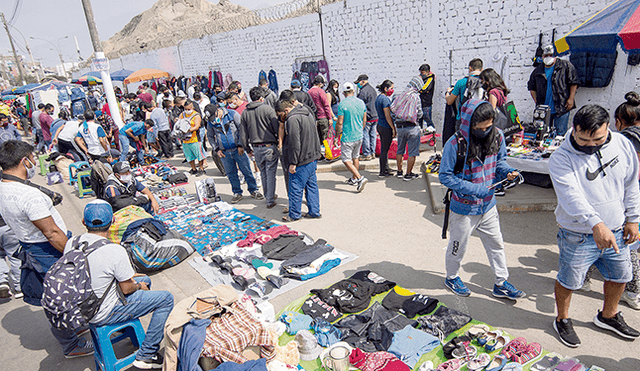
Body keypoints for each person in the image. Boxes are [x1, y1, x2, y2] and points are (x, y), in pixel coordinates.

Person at [549, 105, 640, 347]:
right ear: (574, 129)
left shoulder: (622, 145)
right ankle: (563, 319)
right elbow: (571, 197)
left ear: (609, 127)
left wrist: (633, 218)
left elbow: (631, 184)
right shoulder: (561, 157)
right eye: (583, 139)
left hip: (618, 231)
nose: (590, 145)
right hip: (577, 235)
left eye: (597, 139)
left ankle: (608, 316)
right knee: (569, 280)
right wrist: (596, 224)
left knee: (621, 276)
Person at [0, 140, 93, 358]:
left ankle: (74, 327)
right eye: (32, 159)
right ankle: (71, 344)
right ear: (25, 161)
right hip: (46, 249)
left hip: (30, 246)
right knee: (60, 296)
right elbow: (51, 232)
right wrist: (72, 254)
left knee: (57, 295)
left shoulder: (4, 187)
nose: (34, 163)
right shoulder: (27, 195)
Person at [439, 100, 525, 300]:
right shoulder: (455, 143)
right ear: (469, 123)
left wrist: (508, 172)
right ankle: (451, 277)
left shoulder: (498, 136)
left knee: (496, 244)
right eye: (480, 128)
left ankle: (501, 283)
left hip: (488, 206)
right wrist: (475, 189)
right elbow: (445, 176)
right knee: (457, 246)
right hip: (464, 207)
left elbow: (500, 161)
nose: (485, 131)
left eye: (489, 126)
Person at [75, 200, 173, 369]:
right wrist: (138, 286)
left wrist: (137, 281)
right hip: (103, 311)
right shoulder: (114, 250)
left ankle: (126, 329)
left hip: (82, 307)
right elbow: (127, 289)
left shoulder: (72, 243)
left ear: (84, 222)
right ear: (113, 221)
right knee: (166, 299)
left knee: (145, 279)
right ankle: (146, 354)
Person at [276, 99, 321, 222]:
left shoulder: (292, 119)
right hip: (312, 156)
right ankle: (314, 211)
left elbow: (295, 143)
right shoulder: (307, 112)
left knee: (295, 188)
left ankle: (294, 214)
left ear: (285, 110)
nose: (281, 118)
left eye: (280, 115)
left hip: (302, 160)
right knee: (312, 186)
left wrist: (293, 163)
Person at [210, 104, 263, 204]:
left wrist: (241, 145)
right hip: (224, 152)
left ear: (218, 110)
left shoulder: (232, 114)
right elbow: (210, 137)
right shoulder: (210, 121)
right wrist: (217, 149)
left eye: (215, 116)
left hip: (238, 149)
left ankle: (254, 190)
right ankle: (237, 192)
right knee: (231, 173)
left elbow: (242, 130)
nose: (214, 119)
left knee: (246, 170)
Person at [240, 87, 280, 208]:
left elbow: (243, 134)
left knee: (263, 172)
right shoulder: (268, 109)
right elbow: (276, 128)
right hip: (269, 145)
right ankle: (269, 199)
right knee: (270, 173)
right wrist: (279, 141)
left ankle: (268, 195)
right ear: (262, 98)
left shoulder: (245, 113)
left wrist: (247, 149)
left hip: (256, 147)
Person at [527, 45, 578, 136]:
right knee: (542, 133)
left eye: (550, 55)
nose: (548, 57)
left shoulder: (565, 66)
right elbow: (531, 87)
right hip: (544, 110)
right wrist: (537, 102)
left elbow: (573, 82)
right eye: (545, 55)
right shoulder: (538, 71)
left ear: (555, 55)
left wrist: (571, 98)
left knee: (560, 134)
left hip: (562, 106)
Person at [336, 82, 368, 192]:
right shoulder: (361, 102)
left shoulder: (342, 104)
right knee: (356, 157)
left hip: (347, 136)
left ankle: (359, 178)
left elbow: (340, 123)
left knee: (346, 159)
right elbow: (364, 119)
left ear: (343, 93)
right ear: (353, 91)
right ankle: (354, 178)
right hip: (359, 135)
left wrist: (337, 135)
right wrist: (361, 129)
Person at [392, 77, 423, 181]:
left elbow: (393, 110)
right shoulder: (416, 97)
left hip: (400, 127)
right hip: (412, 127)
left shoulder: (398, 94)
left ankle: (399, 171)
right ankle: (408, 173)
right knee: (412, 152)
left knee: (400, 150)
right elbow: (419, 113)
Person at [446, 58, 485, 130]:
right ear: (482, 69)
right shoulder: (485, 82)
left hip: (463, 118)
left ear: (470, 68)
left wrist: (448, 93)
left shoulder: (461, 82)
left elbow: (449, 101)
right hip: (481, 119)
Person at [375, 80, 396, 177]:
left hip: (380, 124)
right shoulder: (385, 100)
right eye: (391, 88)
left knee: (385, 148)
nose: (392, 90)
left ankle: (385, 167)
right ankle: (383, 170)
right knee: (384, 149)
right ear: (385, 88)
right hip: (385, 126)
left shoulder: (379, 98)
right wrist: (393, 128)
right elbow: (388, 116)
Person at [308, 75, 337, 149]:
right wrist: (330, 118)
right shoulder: (320, 91)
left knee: (316, 138)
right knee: (326, 137)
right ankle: (328, 154)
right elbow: (326, 105)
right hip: (323, 117)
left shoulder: (308, 92)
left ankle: (319, 155)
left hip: (313, 118)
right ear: (320, 84)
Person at [355, 74, 378, 161]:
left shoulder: (363, 92)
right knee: (372, 135)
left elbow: (359, 105)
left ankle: (366, 154)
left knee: (365, 135)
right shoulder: (372, 90)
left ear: (363, 81)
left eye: (359, 82)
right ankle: (373, 152)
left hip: (367, 117)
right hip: (375, 115)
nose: (358, 84)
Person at [180, 100, 206, 175]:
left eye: (188, 109)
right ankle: (193, 168)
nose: (187, 111)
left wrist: (187, 130)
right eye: (185, 109)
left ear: (193, 108)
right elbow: (179, 122)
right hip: (185, 140)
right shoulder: (182, 114)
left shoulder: (196, 115)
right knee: (189, 156)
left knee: (199, 155)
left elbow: (197, 126)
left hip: (195, 139)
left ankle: (201, 168)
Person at [418, 64, 436, 133]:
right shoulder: (422, 79)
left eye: (423, 73)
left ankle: (432, 137)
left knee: (429, 122)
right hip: (420, 103)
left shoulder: (430, 79)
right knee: (419, 122)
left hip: (426, 103)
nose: (421, 74)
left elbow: (424, 88)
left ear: (427, 72)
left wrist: (418, 90)